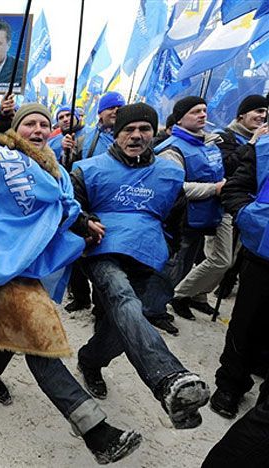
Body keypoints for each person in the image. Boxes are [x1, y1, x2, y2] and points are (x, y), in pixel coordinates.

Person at [0, 102, 141, 465]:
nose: (37, 128)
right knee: (39, 336)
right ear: (15, 129)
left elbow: (63, 208)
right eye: (29, 122)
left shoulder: (56, 170)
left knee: (15, 331)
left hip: (30, 269)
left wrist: (82, 223)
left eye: (44, 124)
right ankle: (97, 433)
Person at [72, 103, 210, 430]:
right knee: (121, 298)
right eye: (128, 130)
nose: (136, 135)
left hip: (148, 256)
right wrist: (86, 221)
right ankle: (170, 380)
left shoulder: (171, 174)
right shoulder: (87, 168)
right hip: (103, 251)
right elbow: (73, 209)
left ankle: (90, 360)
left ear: (154, 133)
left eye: (144, 129)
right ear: (115, 134)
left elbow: (177, 222)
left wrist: (166, 247)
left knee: (122, 325)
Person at [208, 132, 269, 419]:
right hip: (263, 256)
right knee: (247, 322)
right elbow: (234, 190)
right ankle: (231, 383)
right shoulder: (263, 148)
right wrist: (253, 219)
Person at [155, 97, 230, 321]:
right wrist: (214, 189)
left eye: (204, 110)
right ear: (179, 119)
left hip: (207, 213)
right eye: (195, 111)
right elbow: (177, 187)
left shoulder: (209, 142)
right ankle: (156, 309)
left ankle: (183, 297)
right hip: (183, 217)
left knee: (192, 262)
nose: (202, 115)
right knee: (175, 264)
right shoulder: (172, 149)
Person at [213, 95, 269, 300]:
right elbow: (227, 166)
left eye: (265, 112)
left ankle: (222, 287)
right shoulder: (225, 136)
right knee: (220, 259)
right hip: (229, 208)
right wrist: (253, 144)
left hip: (255, 211)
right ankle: (186, 295)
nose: (262, 116)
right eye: (257, 111)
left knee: (235, 256)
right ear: (241, 115)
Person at [73, 92, 125, 162]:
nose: (116, 111)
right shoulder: (83, 139)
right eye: (111, 108)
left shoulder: (134, 138)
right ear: (100, 114)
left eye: (120, 108)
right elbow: (71, 166)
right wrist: (66, 152)